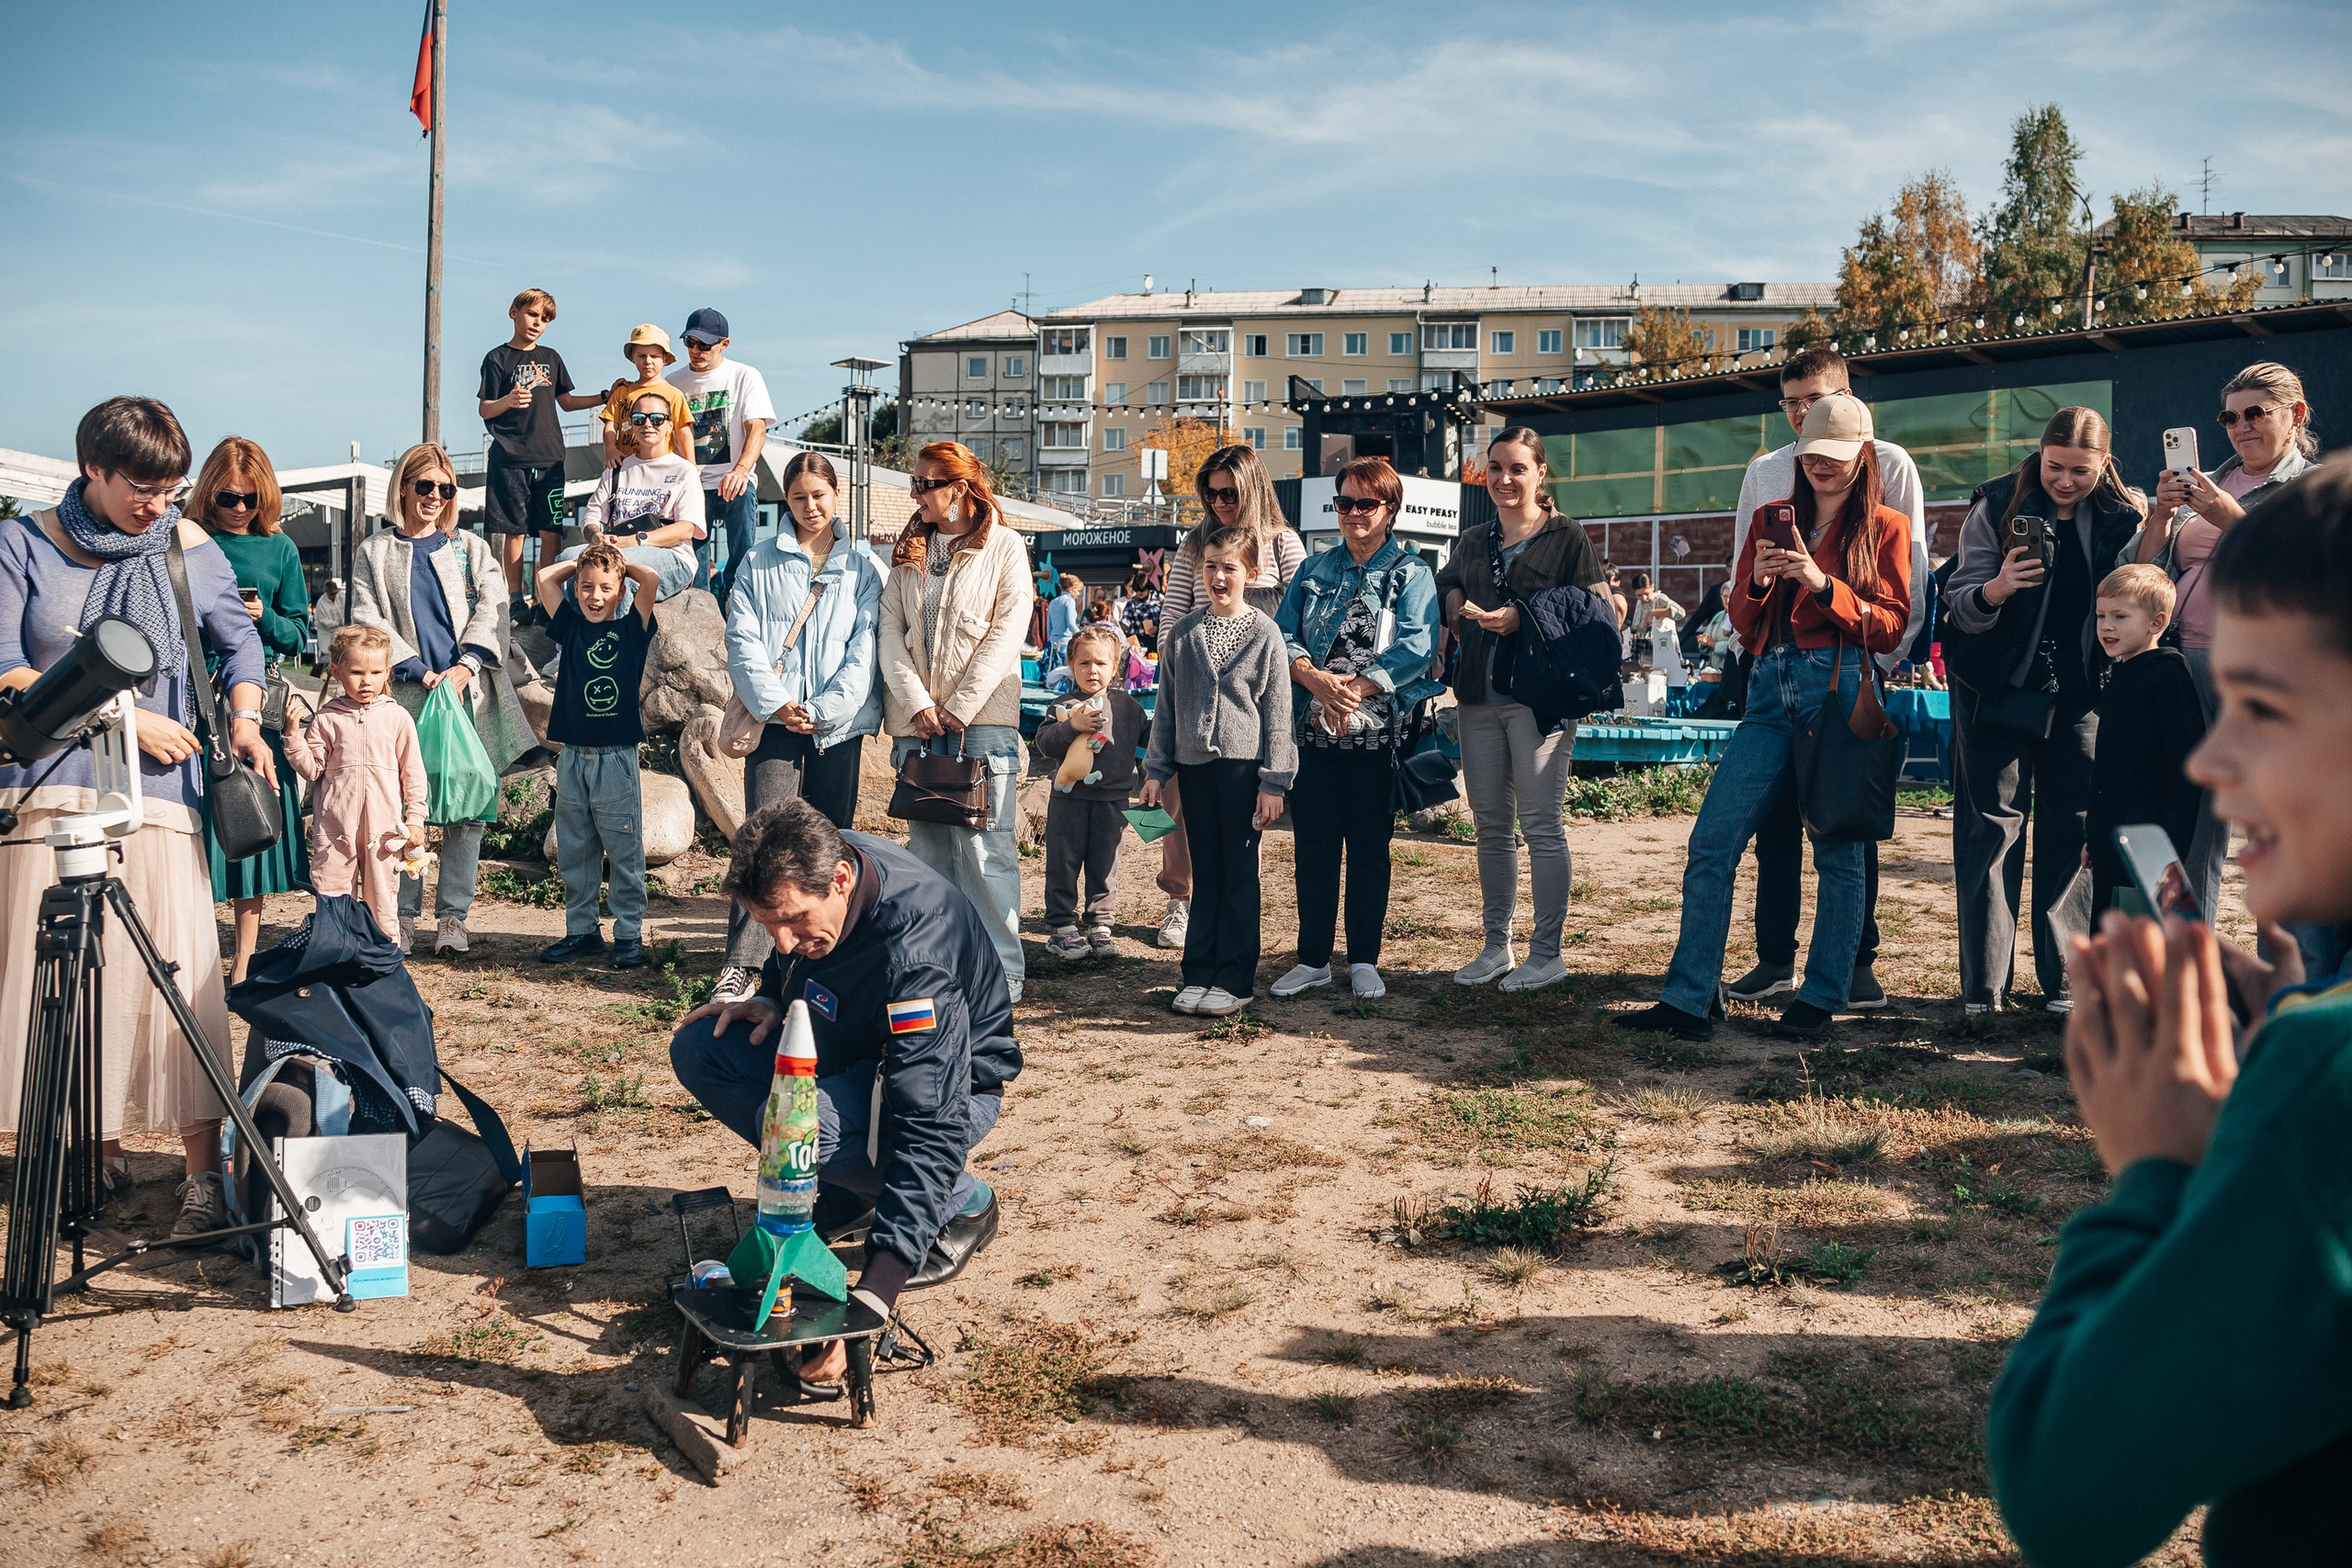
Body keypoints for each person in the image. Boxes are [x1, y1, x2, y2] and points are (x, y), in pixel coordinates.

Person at [1986, 457, 2352, 1565]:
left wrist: (2157, 1168)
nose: (2214, 755)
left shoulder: (2320, 1079)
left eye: (2263, 708)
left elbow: (2064, 1490)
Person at [0, 396, 277, 1236]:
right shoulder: (21, 543)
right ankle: (90, 1149)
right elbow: (9, 669)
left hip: (159, 795)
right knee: (61, 988)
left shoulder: (184, 546)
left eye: (170, 486)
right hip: (47, 786)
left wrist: (243, 717)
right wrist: (122, 711)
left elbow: (241, 642)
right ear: (91, 467)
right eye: (141, 487)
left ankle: (200, 1172)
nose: (157, 503)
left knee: (176, 981)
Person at [669, 796, 1020, 1383]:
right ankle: (849, 1187)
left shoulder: (916, 955)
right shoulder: (826, 856)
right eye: (767, 925)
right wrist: (777, 1001)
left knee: (796, 1127)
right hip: (852, 1054)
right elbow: (802, 963)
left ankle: (963, 1203)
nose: (781, 943)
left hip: (952, 1088)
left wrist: (873, 1300)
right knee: (703, 1047)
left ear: (840, 879)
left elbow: (927, 1123)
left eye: (793, 922)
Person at [1616, 393, 1912, 1043]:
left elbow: (1890, 625)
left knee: (1837, 848)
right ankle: (1689, 998)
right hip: (1767, 684)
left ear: (1865, 455)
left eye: (1835, 458)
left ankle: (1822, 996)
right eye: (1810, 457)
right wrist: (1755, 584)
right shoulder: (1771, 517)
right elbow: (1745, 627)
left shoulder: (1885, 526)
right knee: (1713, 839)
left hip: (1834, 686)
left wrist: (1817, 580)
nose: (1820, 468)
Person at [1724, 344, 1929, 1010]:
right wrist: (1754, 634)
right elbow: (1743, 563)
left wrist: (1876, 667)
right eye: (1790, 402)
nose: (1803, 414)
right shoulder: (1765, 471)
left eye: (1814, 399)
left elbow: (1907, 566)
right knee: (1774, 823)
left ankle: (1854, 960)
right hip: (1779, 663)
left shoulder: (1886, 461)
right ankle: (1774, 956)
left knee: (1846, 820)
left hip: (1852, 664)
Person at [1942, 407, 2147, 1014]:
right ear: (2039, 454)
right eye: (2055, 467)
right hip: (1997, 688)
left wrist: (2153, 519)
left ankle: (2062, 982)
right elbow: (1959, 603)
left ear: (2103, 464)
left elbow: (2145, 584)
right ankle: (1985, 990)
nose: (2064, 481)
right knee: (1991, 833)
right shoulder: (1997, 504)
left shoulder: (2122, 515)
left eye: (2080, 471)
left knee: (2074, 831)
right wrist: (1998, 587)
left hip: (2083, 693)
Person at [2127, 358, 2322, 921]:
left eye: (2257, 413)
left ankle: (2284, 984)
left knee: (2275, 827)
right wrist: (2162, 518)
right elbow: (2141, 577)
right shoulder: (2205, 481)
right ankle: (2189, 972)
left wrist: (2226, 513)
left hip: (2265, 677)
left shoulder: (2312, 488)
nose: (2241, 427)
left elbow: (2307, 569)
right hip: (2181, 667)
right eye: (2230, 417)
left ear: (2296, 415)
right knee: (2189, 826)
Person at [1437, 426, 1611, 994]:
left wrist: (1525, 615)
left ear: (1540, 473)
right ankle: (1496, 947)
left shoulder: (1566, 537)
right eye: (1495, 469)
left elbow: (1596, 609)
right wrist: (1455, 600)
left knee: (1541, 826)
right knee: (1490, 827)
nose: (1505, 480)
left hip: (1538, 700)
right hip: (1476, 696)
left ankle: (1548, 953)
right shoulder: (1472, 538)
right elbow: (1445, 587)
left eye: (1517, 469)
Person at [709, 453, 886, 1007]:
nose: (811, 507)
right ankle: (744, 962)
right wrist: (780, 704)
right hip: (777, 722)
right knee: (761, 839)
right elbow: (743, 641)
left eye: (820, 495)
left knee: (831, 838)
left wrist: (827, 709)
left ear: (836, 495)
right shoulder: (757, 563)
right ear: (785, 501)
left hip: (838, 724)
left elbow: (865, 649)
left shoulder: (863, 568)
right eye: (799, 497)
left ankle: (828, 954)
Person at [350, 442, 535, 955]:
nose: (434, 496)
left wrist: (466, 664)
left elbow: (496, 608)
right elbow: (367, 616)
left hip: (465, 694)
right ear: (403, 487)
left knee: (467, 808)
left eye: (445, 489)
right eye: (424, 486)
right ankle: (402, 916)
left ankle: (453, 917)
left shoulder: (471, 549)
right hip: (405, 696)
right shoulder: (375, 551)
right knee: (406, 810)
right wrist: (415, 668)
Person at [1270, 457, 1442, 1003]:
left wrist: (1356, 689)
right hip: (1313, 730)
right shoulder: (1313, 570)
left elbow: (1418, 647)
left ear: (1390, 509)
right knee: (1313, 847)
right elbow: (1284, 634)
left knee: (1370, 847)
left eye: (1365, 504)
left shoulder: (1412, 574)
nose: (1352, 514)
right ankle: (1313, 959)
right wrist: (1315, 680)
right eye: (1343, 503)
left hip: (1377, 735)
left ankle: (1364, 959)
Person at [877, 441, 1033, 998]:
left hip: (983, 724)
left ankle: (1003, 969)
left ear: (959, 489)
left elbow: (1007, 632)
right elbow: (889, 632)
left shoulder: (1006, 549)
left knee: (986, 851)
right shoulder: (909, 556)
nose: (915, 493)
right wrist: (918, 702)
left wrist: (959, 707)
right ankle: (942, 964)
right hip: (919, 726)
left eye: (925, 484)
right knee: (931, 853)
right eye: (914, 483)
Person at [1153, 444, 1307, 952]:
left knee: (1243, 819)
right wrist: (1183, 666)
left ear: (1253, 487)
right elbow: (1171, 616)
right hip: (1194, 687)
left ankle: (1236, 911)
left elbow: (1302, 617)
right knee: (1176, 805)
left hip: (1257, 694)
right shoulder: (1194, 543)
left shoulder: (1283, 544)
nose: (1219, 501)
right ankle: (1182, 897)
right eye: (1211, 493)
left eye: (1229, 491)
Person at [1141, 525, 1297, 1017]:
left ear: (1250, 573)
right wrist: (1155, 769)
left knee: (1238, 874)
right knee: (1204, 871)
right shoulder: (1185, 633)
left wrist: (1275, 781)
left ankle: (1234, 977)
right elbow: (1165, 707)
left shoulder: (1266, 633)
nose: (1218, 576)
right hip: (1192, 768)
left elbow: (1278, 714)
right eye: (1210, 566)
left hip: (1243, 770)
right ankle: (1199, 972)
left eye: (1230, 567)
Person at [188, 435, 311, 983]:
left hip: (255, 697)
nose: (240, 509)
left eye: (250, 499)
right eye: (228, 499)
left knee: (249, 819)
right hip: (191, 691)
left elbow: (301, 634)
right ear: (207, 494)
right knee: (193, 822)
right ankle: (190, 947)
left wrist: (258, 618)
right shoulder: (185, 542)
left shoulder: (279, 549)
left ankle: (241, 964)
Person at [532, 541, 660, 969]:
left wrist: (618, 565)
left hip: (615, 759)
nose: (595, 596)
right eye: (586, 587)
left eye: (606, 588)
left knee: (624, 850)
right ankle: (582, 932)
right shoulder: (570, 625)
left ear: (620, 591)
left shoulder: (632, 630)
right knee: (575, 849)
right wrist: (582, 562)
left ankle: (628, 935)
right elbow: (545, 580)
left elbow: (652, 580)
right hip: (573, 757)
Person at [282, 624, 427, 944]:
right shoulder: (326, 718)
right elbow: (312, 769)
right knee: (333, 901)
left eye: (376, 672)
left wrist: (415, 819)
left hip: (384, 833)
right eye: (357, 672)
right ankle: (335, 960)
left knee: (383, 904)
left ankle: (383, 963)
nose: (366, 681)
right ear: (336, 671)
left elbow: (413, 775)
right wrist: (293, 735)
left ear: (387, 672)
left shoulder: (398, 718)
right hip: (335, 832)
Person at [2082, 565, 2207, 919]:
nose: (2106, 626)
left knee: (2141, 954)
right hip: (2113, 843)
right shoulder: (2121, 673)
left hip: (2150, 852)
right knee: (2110, 943)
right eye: (2101, 615)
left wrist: (2167, 852)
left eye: (2120, 616)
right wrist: (2096, 837)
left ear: (2156, 622)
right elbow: (2111, 769)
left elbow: (2186, 769)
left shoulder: (2168, 676)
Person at [477, 288, 605, 615]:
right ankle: (516, 599)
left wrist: (604, 396)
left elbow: (567, 402)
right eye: (533, 314)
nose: (538, 323)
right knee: (515, 532)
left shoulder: (551, 357)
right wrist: (507, 401)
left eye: (545, 319)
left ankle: (548, 600)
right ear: (514, 312)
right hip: (509, 458)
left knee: (551, 533)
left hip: (549, 458)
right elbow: (485, 409)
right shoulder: (496, 358)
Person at [1036, 626, 1150, 964]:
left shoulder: (1129, 708)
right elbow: (1044, 743)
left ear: (1115, 667)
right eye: (1084, 663)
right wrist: (1071, 726)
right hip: (1068, 800)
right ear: (1071, 666)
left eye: (1101, 663)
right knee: (1063, 862)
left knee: (1105, 865)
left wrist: (1153, 780)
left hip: (1114, 803)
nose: (1092, 670)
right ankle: (1061, 927)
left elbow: (1149, 746)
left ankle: (1100, 924)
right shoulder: (1063, 705)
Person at [666, 307, 774, 603]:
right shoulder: (672, 382)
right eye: (690, 343)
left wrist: (740, 470)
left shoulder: (744, 375)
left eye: (705, 344)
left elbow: (757, 428)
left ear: (724, 344)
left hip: (731, 481)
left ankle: (735, 590)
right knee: (693, 559)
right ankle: (700, 602)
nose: (696, 350)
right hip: (691, 485)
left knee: (741, 500)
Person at [570, 388, 704, 608]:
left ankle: (617, 641)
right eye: (639, 418)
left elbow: (686, 528)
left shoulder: (684, 470)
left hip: (671, 555)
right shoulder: (616, 470)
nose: (648, 424)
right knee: (566, 559)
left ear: (670, 425)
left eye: (658, 419)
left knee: (621, 576)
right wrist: (596, 537)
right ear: (631, 424)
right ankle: (571, 641)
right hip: (612, 549)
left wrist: (634, 541)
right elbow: (591, 516)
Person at [595, 324, 695, 468]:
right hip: (625, 465)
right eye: (641, 356)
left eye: (654, 356)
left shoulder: (674, 394)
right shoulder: (622, 392)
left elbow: (683, 430)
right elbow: (611, 424)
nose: (648, 361)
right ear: (633, 358)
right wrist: (610, 449)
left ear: (665, 359)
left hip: (661, 465)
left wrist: (690, 462)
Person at [1044, 572, 1083, 669]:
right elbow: (1071, 624)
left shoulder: (1053, 602)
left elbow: (1049, 627)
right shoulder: (1069, 601)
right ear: (1071, 589)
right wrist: (1082, 634)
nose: (1078, 594)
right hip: (1064, 644)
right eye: (1078, 590)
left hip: (1052, 643)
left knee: (1051, 674)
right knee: (1063, 674)